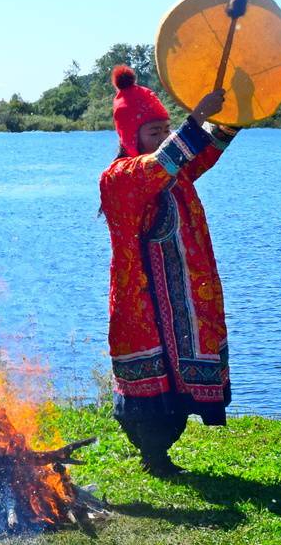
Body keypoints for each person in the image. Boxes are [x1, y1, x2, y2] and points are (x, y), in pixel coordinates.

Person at [100, 68, 237, 476]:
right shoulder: (119, 177)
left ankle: (160, 452)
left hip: (182, 301)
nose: (161, 138)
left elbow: (201, 152)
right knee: (149, 392)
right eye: (153, 131)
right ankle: (153, 455)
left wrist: (235, 115)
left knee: (177, 389)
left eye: (164, 129)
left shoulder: (173, 172)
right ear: (131, 137)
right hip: (141, 301)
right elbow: (164, 161)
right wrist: (195, 119)